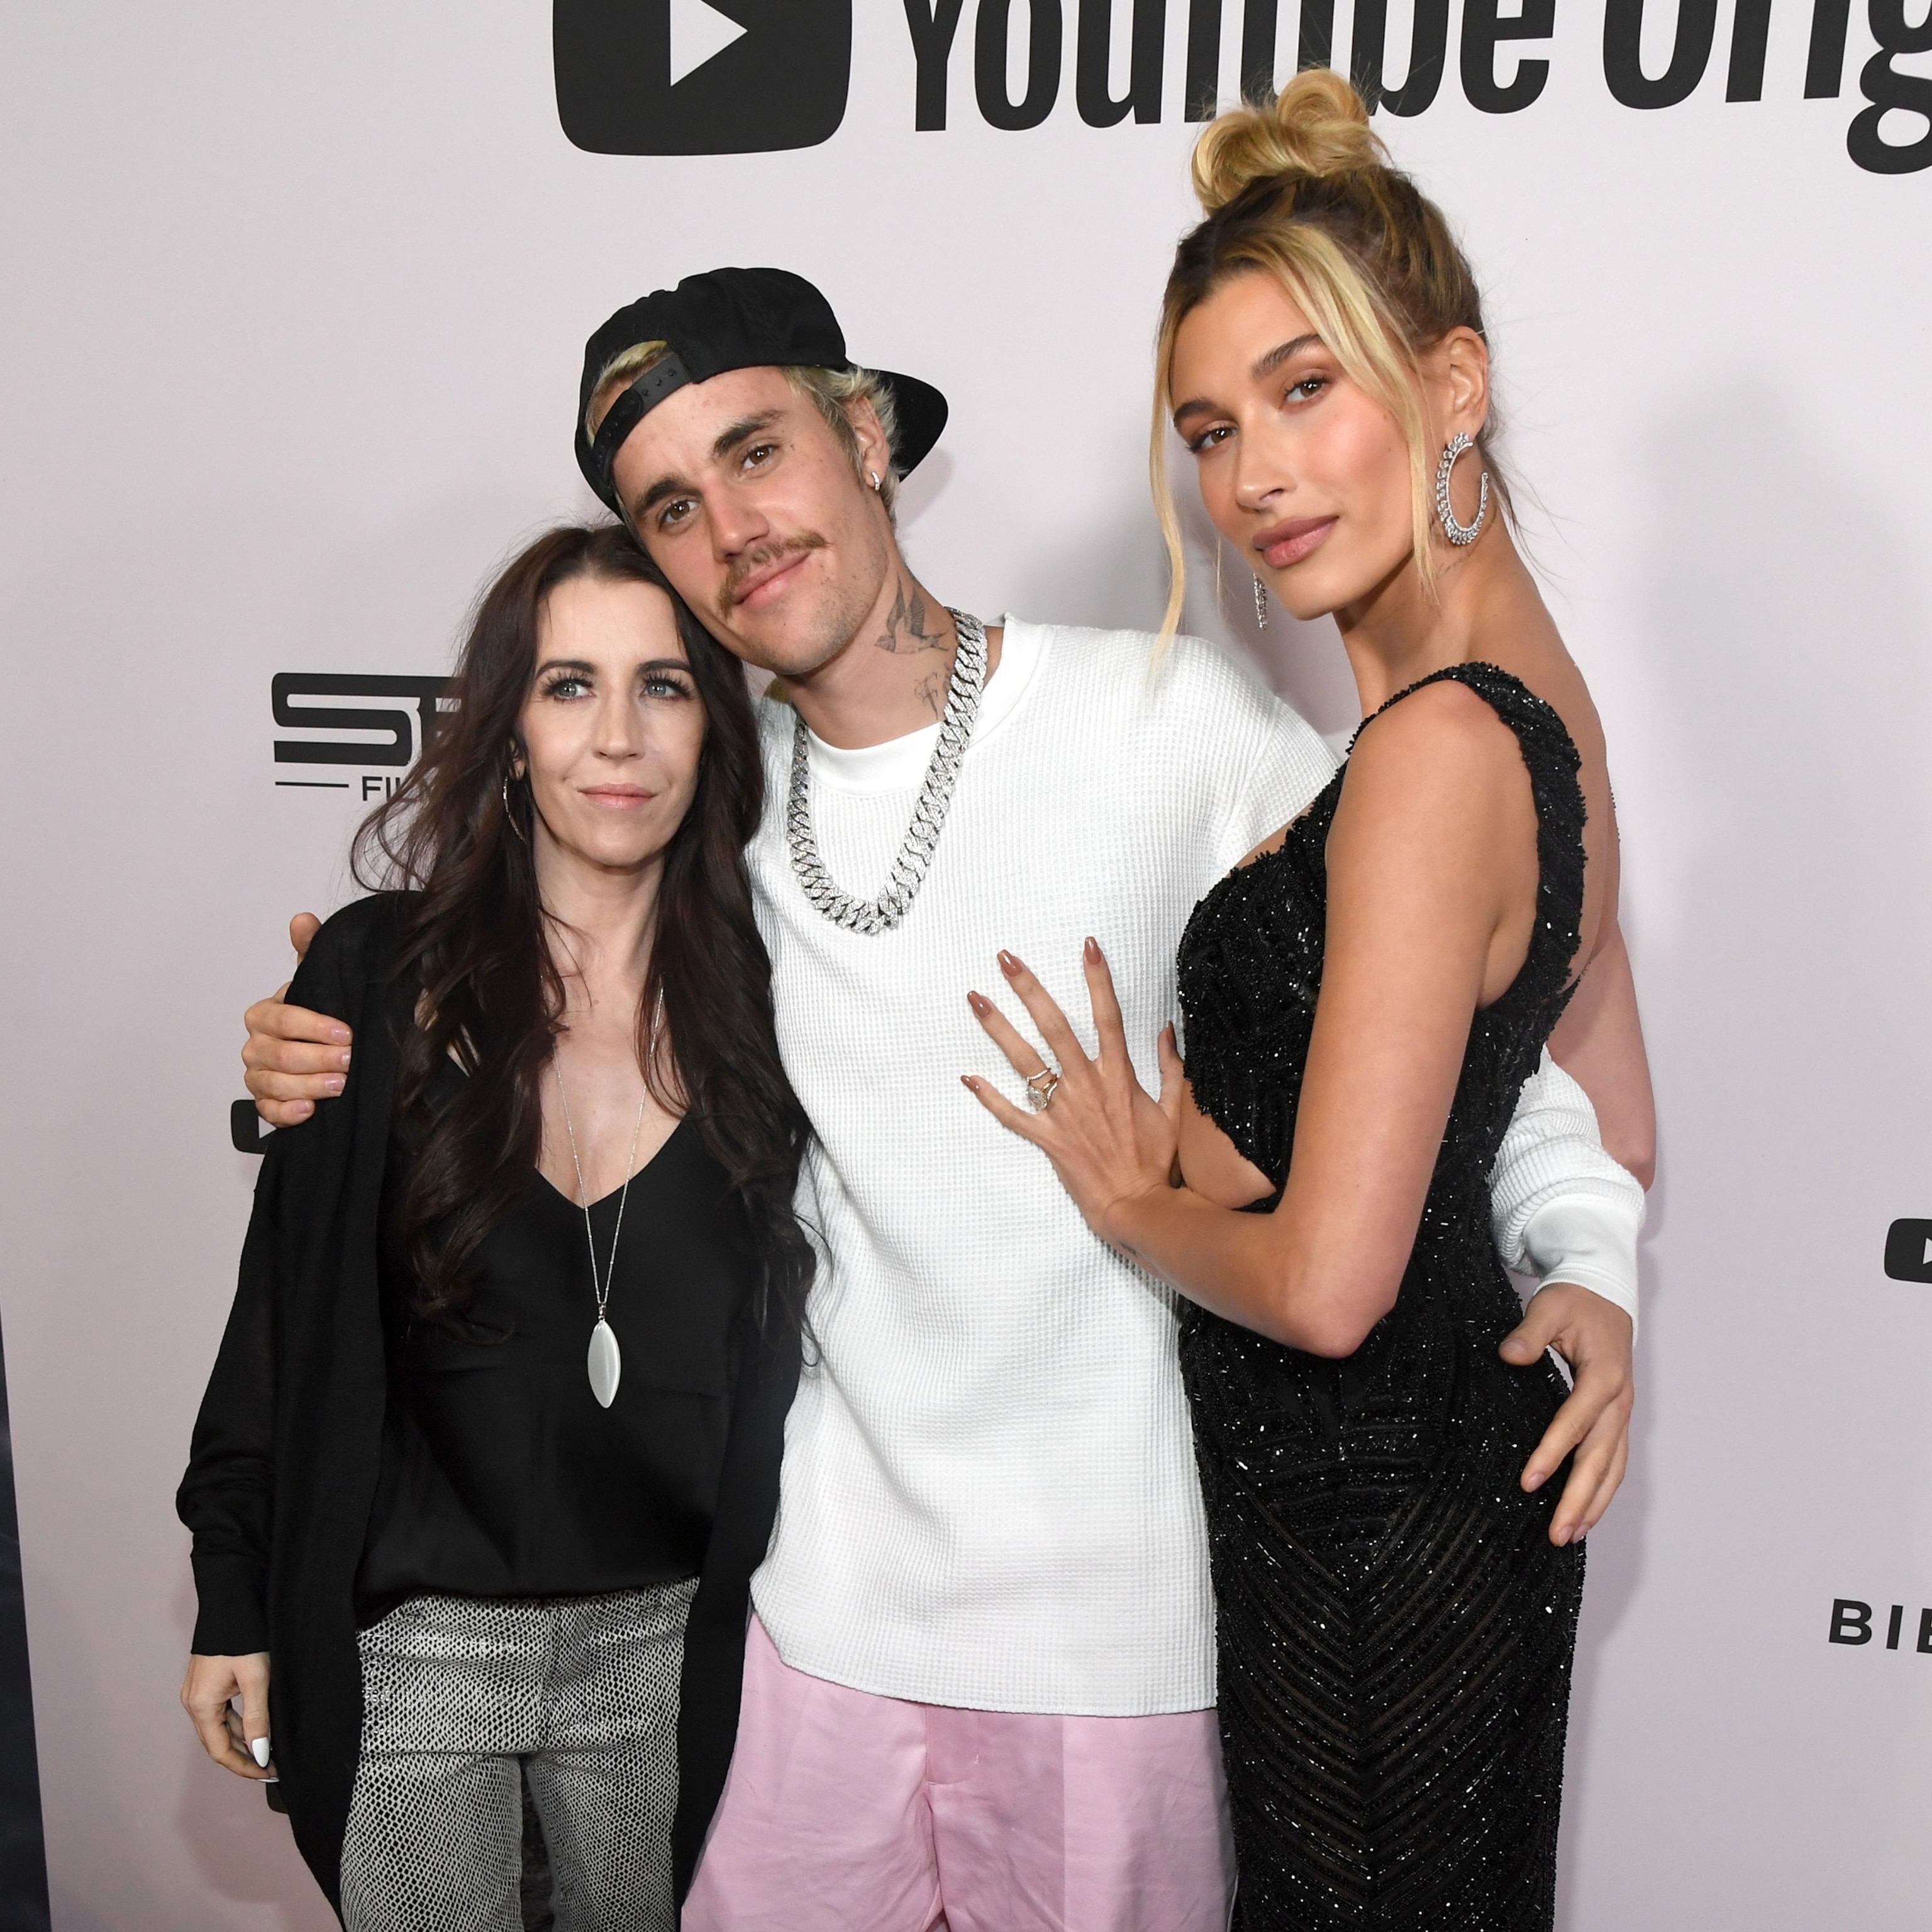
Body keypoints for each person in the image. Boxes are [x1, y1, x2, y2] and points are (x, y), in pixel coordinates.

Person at [239, 265, 1646, 1930]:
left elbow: (1451, 1018)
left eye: (758, 452)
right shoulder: (703, 834)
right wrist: (328, 1031)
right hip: (814, 1632)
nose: (734, 529)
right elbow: (509, 1014)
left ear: (868, 436)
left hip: (1123, 1646)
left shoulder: (1165, 717)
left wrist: (1584, 1247)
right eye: (672, 506)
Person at [963, 73, 1649, 1929]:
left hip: (1365, 1530)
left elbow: (1337, 1289)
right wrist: (1594, 1269)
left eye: (1302, 390)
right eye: (1207, 426)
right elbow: (1594, 1091)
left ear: (1452, 386)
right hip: (1408, 1511)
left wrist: (1133, 1194)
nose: (1249, 475)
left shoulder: (1434, 750)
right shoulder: (1533, 696)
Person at [178, 523, 809, 1931]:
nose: (619, 735)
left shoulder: (783, 1005)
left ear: (715, 724)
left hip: (679, 1649)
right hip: (420, 1649)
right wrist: (233, 1588)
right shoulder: (376, 970)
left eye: (664, 685)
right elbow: (285, 1306)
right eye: (569, 684)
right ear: (510, 728)